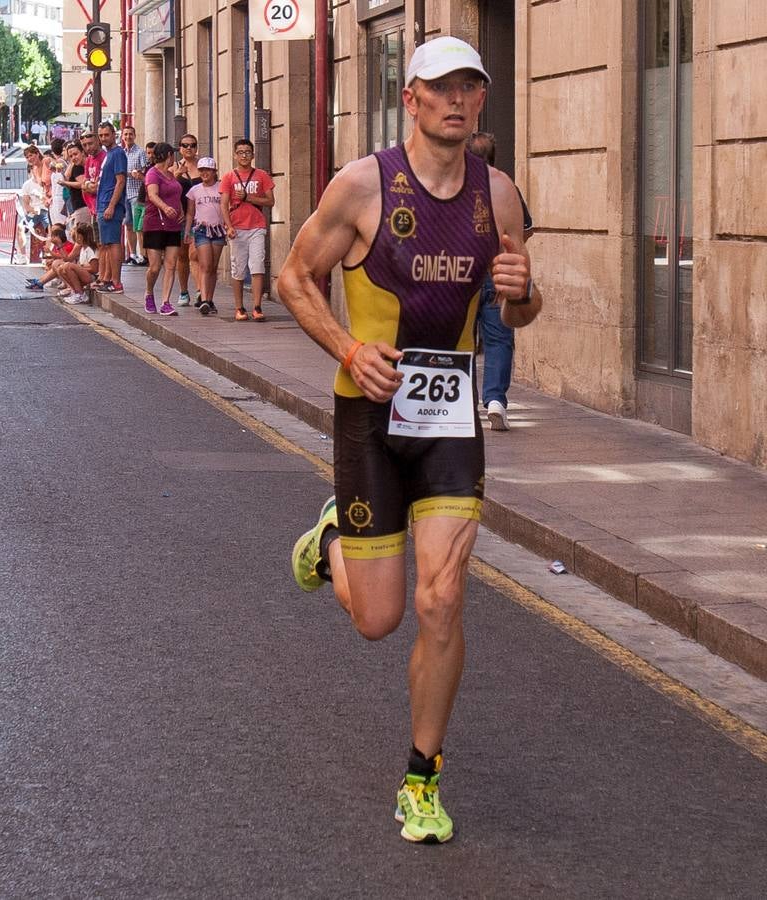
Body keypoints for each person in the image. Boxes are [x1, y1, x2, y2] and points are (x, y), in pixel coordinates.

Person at [280, 36, 542, 846]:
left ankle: (422, 777)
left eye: (471, 86)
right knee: (377, 621)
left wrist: (525, 292)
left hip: (449, 417)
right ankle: (334, 541)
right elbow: (295, 277)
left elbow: (519, 311)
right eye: (442, 87)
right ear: (414, 100)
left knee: (443, 597)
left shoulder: (497, 195)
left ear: (481, 102)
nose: (457, 99)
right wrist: (351, 351)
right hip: (370, 415)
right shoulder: (362, 185)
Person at [466, 131, 533, 431]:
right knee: (499, 339)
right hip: (498, 273)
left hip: (462, 275)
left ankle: (464, 403)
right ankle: (495, 401)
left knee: (461, 341)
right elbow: (526, 230)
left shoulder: (454, 187)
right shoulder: (507, 188)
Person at [220, 138, 275, 321]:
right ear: (235, 155)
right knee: (238, 269)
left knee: (257, 265)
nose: (244, 155)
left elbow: (270, 201)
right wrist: (228, 226)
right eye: (241, 152)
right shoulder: (229, 177)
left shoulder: (261, 175)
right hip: (237, 227)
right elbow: (224, 204)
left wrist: (248, 197)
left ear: (252, 155)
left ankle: (257, 306)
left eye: (248, 152)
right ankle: (239, 307)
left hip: (257, 226)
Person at [142, 142, 184, 316]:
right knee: (154, 267)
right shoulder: (153, 174)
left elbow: (176, 194)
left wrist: (180, 209)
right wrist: (165, 208)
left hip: (173, 225)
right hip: (155, 224)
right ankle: (149, 293)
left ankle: (166, 302)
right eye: (172, 154)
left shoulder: (171, 174)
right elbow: (152, 195)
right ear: (168, 155)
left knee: (171, 264)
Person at [185, 157, 226, 317]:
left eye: (207, 170)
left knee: (213, 267)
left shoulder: (222, 188)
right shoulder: (194, 190)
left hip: (218, 230)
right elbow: (190, 213)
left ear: (214, 172)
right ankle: (203, 298)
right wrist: (188, 232)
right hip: (201, 230)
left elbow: (226, 208)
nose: (204, 173)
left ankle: (209, 300)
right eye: (201, 170)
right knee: (205, 265)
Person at [93, 121, 128, 293]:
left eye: (107, 134)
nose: (104, 138)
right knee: (106, 244)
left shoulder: (118, 153)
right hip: (103, 202)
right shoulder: (108, 154)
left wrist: (112, 206)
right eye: (101, 135)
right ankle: (106, 278)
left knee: (113, 242)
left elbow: (120, 181)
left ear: (114, 134)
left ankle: (116, 282)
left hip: (110, 204)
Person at [171, 134, 202, 306]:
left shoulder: (203, 166)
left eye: (192, 145)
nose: (189, 148)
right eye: (185, 145)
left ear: (196, 147)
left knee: (195, 254)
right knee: (182, 256)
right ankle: (184, 291)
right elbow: (167, 189)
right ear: (180, 148)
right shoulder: (174, 167)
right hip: (180, 218)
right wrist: (177, 175)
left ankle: (200, 291)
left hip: (200, 217)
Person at [121, 126, 148, 265]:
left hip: (136, 193)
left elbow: (145, 169)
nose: (128, 137)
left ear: (135, 135)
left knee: (139, 226)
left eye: (130, 134)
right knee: (128, 225)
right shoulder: (121, 152)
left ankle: (142, 255)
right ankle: (132, 254)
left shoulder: (140, 152)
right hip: (124, 192)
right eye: (126, 134)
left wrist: (137, 173)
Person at [56, 222, 99, 305]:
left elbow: (94, 269)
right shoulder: (82, 249)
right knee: (61, 268)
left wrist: (80, 267)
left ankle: (80, 294)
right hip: (84, 273)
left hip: (91, 277)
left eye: (78, 236)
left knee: (68, 266)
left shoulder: (90, 250)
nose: (76, 238)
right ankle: (74, 290)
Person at [25, 223, 75, 292]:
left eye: (56, 232)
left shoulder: (68, 245)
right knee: (53, 263)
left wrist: (52, 250)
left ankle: (41, 282)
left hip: (69, 265)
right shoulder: (56, 245)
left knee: (56, 264)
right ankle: (40, 280)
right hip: (63, 263)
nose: (53, 234)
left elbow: (65, 258)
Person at [59, 144, 90, 230]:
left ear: (82, 152)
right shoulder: (76, 166)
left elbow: (82, 184)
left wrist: (66, 183)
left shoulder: (79, 167)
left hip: (83, 205)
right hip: (79, 205)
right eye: (71, 156)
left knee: (81, 238)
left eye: (75, 154)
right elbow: (67, 175)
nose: (73, 158)